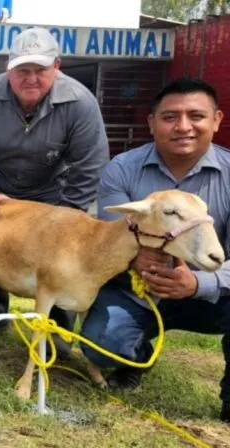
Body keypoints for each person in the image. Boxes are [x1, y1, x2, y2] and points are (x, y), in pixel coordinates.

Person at [79, 78, 230, 423]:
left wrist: (197, 284)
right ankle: (135, 352)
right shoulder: (122, 169)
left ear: (217, 120)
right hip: (137, 292)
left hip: (209, 294)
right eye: (169, 117)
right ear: (151, 123)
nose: (183, 127)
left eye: (196, 116)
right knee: (100, 346)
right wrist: (133, 256)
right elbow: (109, 236)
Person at [0, 26, 109, 348]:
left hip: (53, 195)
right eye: (22, 70)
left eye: (40, 70)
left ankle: (58, 333)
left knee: (61, 262)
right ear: (8, 69)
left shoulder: (81, 103)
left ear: (57, 67)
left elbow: (90, 162)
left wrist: (68, 213)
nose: (31, 78)